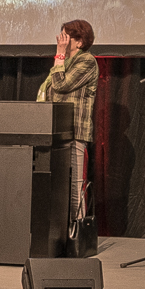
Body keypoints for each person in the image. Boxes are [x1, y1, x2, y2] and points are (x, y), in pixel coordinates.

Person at [36, 19, 99, 223]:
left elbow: (61, 85)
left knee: (75, 188)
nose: (60, 40)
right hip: (55, 131)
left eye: (65, 37)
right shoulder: (64, 62)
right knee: (58, 186)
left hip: (74, 131)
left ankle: (77, 235)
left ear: (79, 41)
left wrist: (60, 55)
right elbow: (47, 89)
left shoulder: (86, 61)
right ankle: (60, 234)